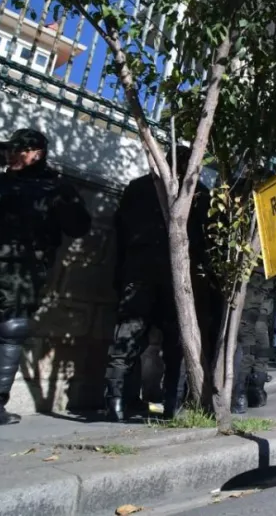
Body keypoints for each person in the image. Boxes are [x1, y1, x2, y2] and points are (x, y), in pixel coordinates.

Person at [0, 129, 91, 425]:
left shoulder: (57, 188)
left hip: (26, 270)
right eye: (9, 150)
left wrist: (64, 201)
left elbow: (78, 228)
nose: (11, 155)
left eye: (19, 150)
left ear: (38, 152)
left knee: (12, 330)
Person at [104, 147, 214, 422]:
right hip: (173, 279)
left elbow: (120, 235)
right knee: (175, 345)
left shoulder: (139, 187)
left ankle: (117, 404)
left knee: (128, 339)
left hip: (140, 274)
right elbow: (204, 245)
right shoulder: (197, 194)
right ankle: (170, 405)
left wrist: (120, 275)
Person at [232, 263, 276, 414]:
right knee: (250, 345)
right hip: (254, 287)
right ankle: (243, 393)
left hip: (260, 293)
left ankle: (248, 392)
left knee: (257, 345)